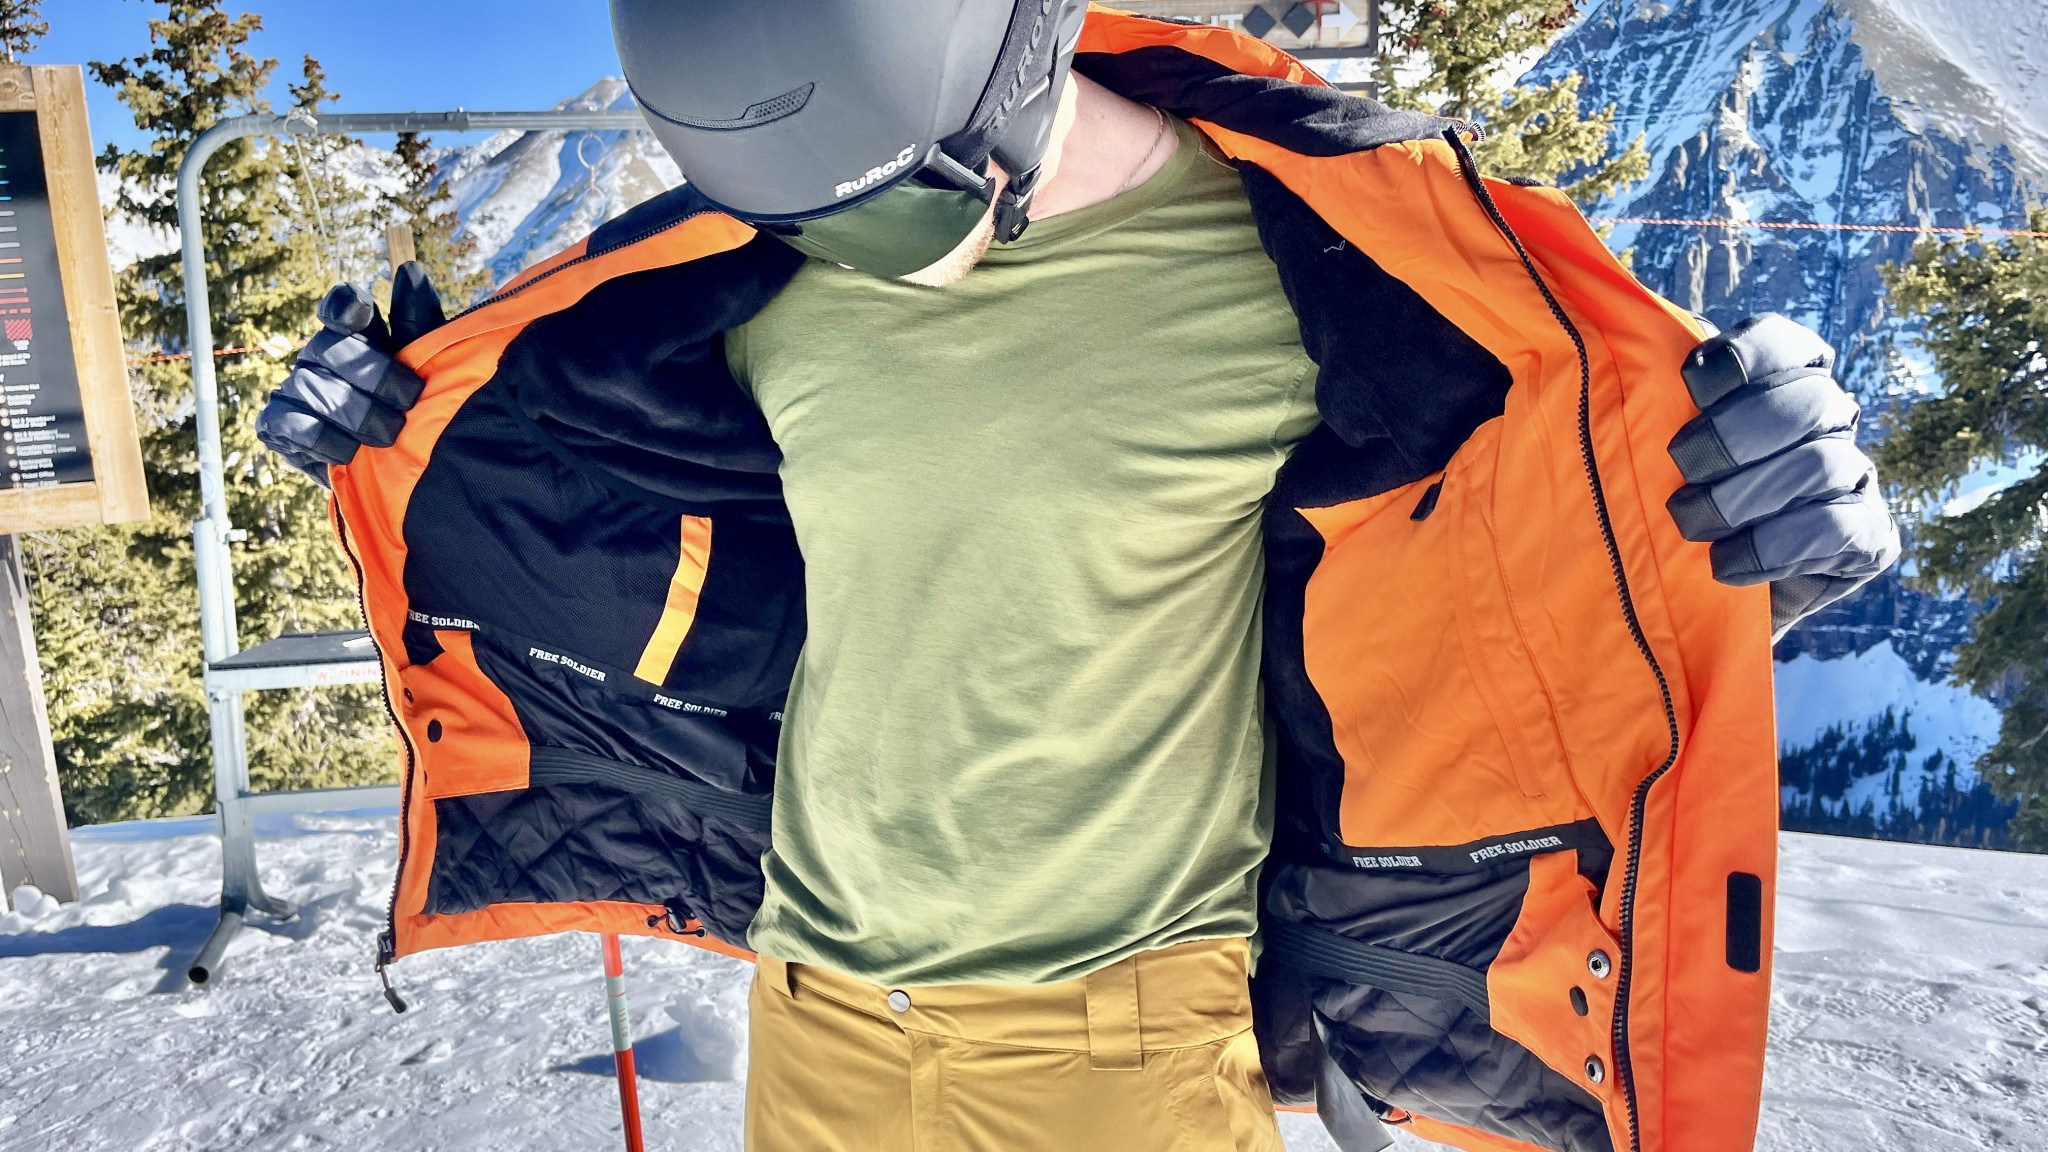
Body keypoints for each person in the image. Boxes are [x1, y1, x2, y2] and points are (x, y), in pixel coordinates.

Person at [257, 4, 1899, 1151]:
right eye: (800, 223)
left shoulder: (1312, 267)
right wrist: (403, 426)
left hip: (1118, 1054)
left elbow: (1538, 552)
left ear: (1012, 67)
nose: (854, 263)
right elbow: (609, 485)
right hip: (817, 1023)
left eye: (892, 217)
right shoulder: (765, 274)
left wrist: (1763, 537)